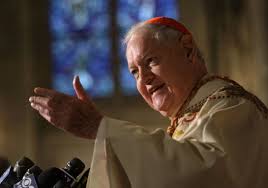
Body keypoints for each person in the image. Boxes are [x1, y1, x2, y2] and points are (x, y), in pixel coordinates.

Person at [29, 17, 268, 188]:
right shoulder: (192, 117)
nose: (144, 79)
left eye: (151, 61)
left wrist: (99, 127)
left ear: (187, 50)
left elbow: (205, 176)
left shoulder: (232, 106)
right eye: (134, 72)